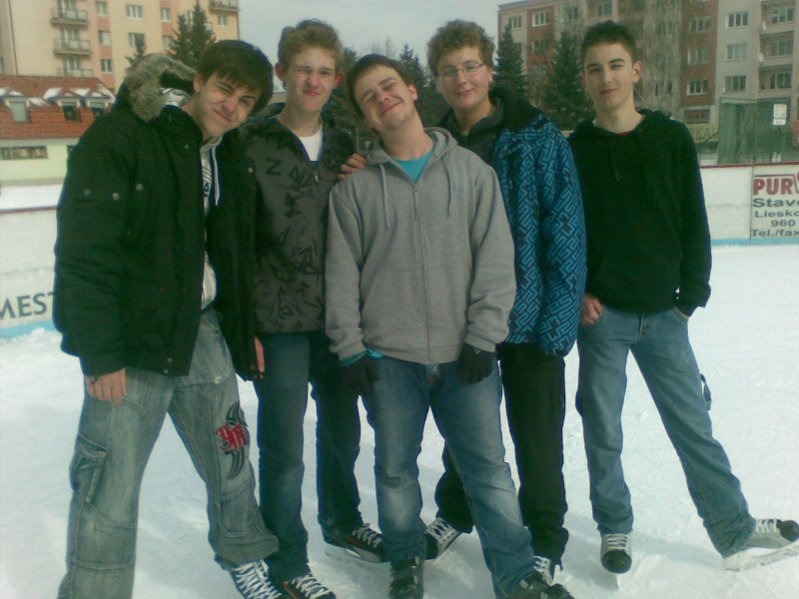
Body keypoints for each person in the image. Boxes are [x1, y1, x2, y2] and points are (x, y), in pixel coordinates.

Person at [326, 54, 575, 599]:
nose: (382, 97)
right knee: (394, 469)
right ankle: (405, 560)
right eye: (369, 97)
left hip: (466, 355)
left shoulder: (471, 173)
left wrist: (484, 336)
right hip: (389, 359)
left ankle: (516, 575)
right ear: (365, 116)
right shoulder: (355, 190)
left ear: (413, 90)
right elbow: (341, 276)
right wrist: (350, 349)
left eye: (389, 85)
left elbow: (496, 260)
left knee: (488, 470)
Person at [53, 41, 285, 599]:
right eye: (225, 89)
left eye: (246, 101)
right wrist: (100, 353)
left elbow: (233, 251)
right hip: (132, 342)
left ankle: (245, 560)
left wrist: (243, 330)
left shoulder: (227, 152)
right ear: (199, 79)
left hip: (203, 330)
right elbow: (86, 250)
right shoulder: (126, 135)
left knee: (231, 459)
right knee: (109, 485)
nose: (231, 106)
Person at [569, 20, 799, 575]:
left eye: (615, 65)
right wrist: (577, 292)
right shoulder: (575, 150)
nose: (606, 77)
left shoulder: (671, 138)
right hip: (603, 318)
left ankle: (733, 526)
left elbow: (694, 220)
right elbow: (564, 230)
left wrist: (690, 297)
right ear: (585, 79)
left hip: (665, 316)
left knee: (694, 426)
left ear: (636, 70)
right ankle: (615, 527)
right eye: (595, 69)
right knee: (603, 430)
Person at [422, 20, 586, 586]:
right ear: (437, 80)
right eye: (449, 70)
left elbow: (565, 226)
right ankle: (456, 509)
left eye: (470, 66)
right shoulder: (433, 144)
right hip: (461, 319)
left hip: (531, 317)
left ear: (489, 70)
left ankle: (544, 537)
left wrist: (557, 324)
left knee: (537, 438)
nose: (461, 79)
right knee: (466, 430)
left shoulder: (536, 136)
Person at [243, 19, 383, 599]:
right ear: (282, 71)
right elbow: (232, 239)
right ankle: (285, 560)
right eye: (303, 69)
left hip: (338, 318)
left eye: (325, 72)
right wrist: (242, 326)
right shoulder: (249, 142)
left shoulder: (348, 146)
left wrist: (366, 176)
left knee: (343, 430)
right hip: (276, 319)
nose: (313, 81)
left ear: (337, 79)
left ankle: (342, 520)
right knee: (284, 448)